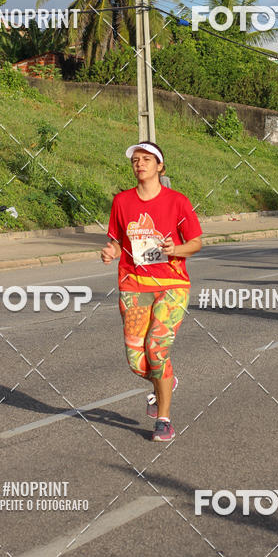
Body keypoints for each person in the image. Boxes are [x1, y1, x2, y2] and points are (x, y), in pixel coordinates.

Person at [101, 141, 202, 441]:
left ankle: (164, 420)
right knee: (136, 361)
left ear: (160, 166)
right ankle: (165, 382)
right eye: (135, 160)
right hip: (133, 285)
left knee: (156, 351)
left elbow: (196, 242)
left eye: (146, 159)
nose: (139, 164)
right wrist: (110, 250)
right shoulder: (121, 202)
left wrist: (176, 248)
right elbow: (118, 240)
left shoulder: (177, 202)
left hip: (172, 285)